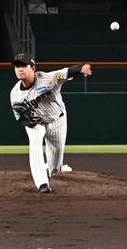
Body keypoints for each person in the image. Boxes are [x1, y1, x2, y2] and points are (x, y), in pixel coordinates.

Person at [9, 53, 92, 193]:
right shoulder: (15, 94)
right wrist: (29, 121)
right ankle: (42, 183)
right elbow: (19, 117)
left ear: (33, 68)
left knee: (55, 166)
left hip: (57, 119)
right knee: (35, 145)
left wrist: (81, 68)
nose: (20, 69)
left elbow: (65, 72)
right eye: (17, 66)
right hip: (37, 124)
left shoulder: (48, 79)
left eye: (24, 65)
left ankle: (49, 169)